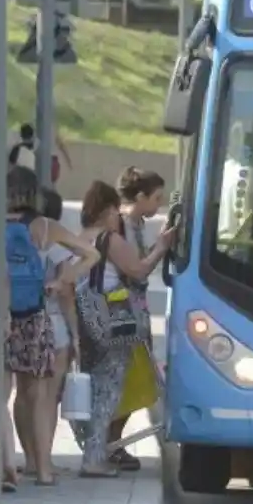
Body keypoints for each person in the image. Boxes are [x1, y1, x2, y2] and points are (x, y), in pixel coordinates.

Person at [70, 180, 175, 477]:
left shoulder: (81, 237)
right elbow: (139, 270)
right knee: (108, 391)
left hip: (86, 319)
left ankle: (93, 451)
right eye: (116, 210)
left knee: (94, 388)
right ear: (108, 210)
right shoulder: (109, 240)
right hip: (112, 320)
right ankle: (94, 458)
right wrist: (161, 247)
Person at [4, 166, 100, 486]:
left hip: (0, 315)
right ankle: (44, 470)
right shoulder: (46, 227)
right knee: (42, 394)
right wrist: (62, 281)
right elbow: (91, 254)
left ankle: (21, 461)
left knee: (13, 394)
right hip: (37, 315)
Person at [15, 187, 79, 478]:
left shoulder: (15, 236)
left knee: (23, 392)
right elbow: (66, 290)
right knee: (47, 396)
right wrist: (76, 332)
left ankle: (28, 457)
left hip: (18, 317)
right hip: (51, 322)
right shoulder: (54, 240)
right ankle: (44, 460)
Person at [108, 167, 166, 471]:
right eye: (156, 198)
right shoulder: (119, 225)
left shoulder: (136, 224)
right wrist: (161, 248)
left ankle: (113, 443)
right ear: (140, 196)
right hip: (119, 314)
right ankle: (108, 444)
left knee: (134, 380)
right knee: (121, 380)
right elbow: (137, 270)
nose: (159, 205)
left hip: (134, 312)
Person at [9, 123, 74, 183]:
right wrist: (69, 161)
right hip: (51, 160)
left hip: (45, 161)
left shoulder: (23, 147)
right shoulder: (50, 129)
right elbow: (61, 146)